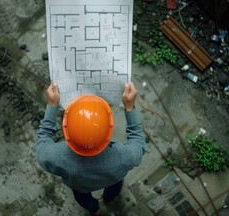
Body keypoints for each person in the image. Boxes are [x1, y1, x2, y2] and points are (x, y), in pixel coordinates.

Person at [36, 82, 147, 215]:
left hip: (80, 187)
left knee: (84, 199)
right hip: (113, 179)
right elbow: (139, 143)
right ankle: (108, 199)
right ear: (109, 129)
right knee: (114, 189)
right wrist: (129, 107)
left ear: (66, 129)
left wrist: (52, 106)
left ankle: (95, 210)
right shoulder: (124, 157)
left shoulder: (55, 157)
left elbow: (42, 143)